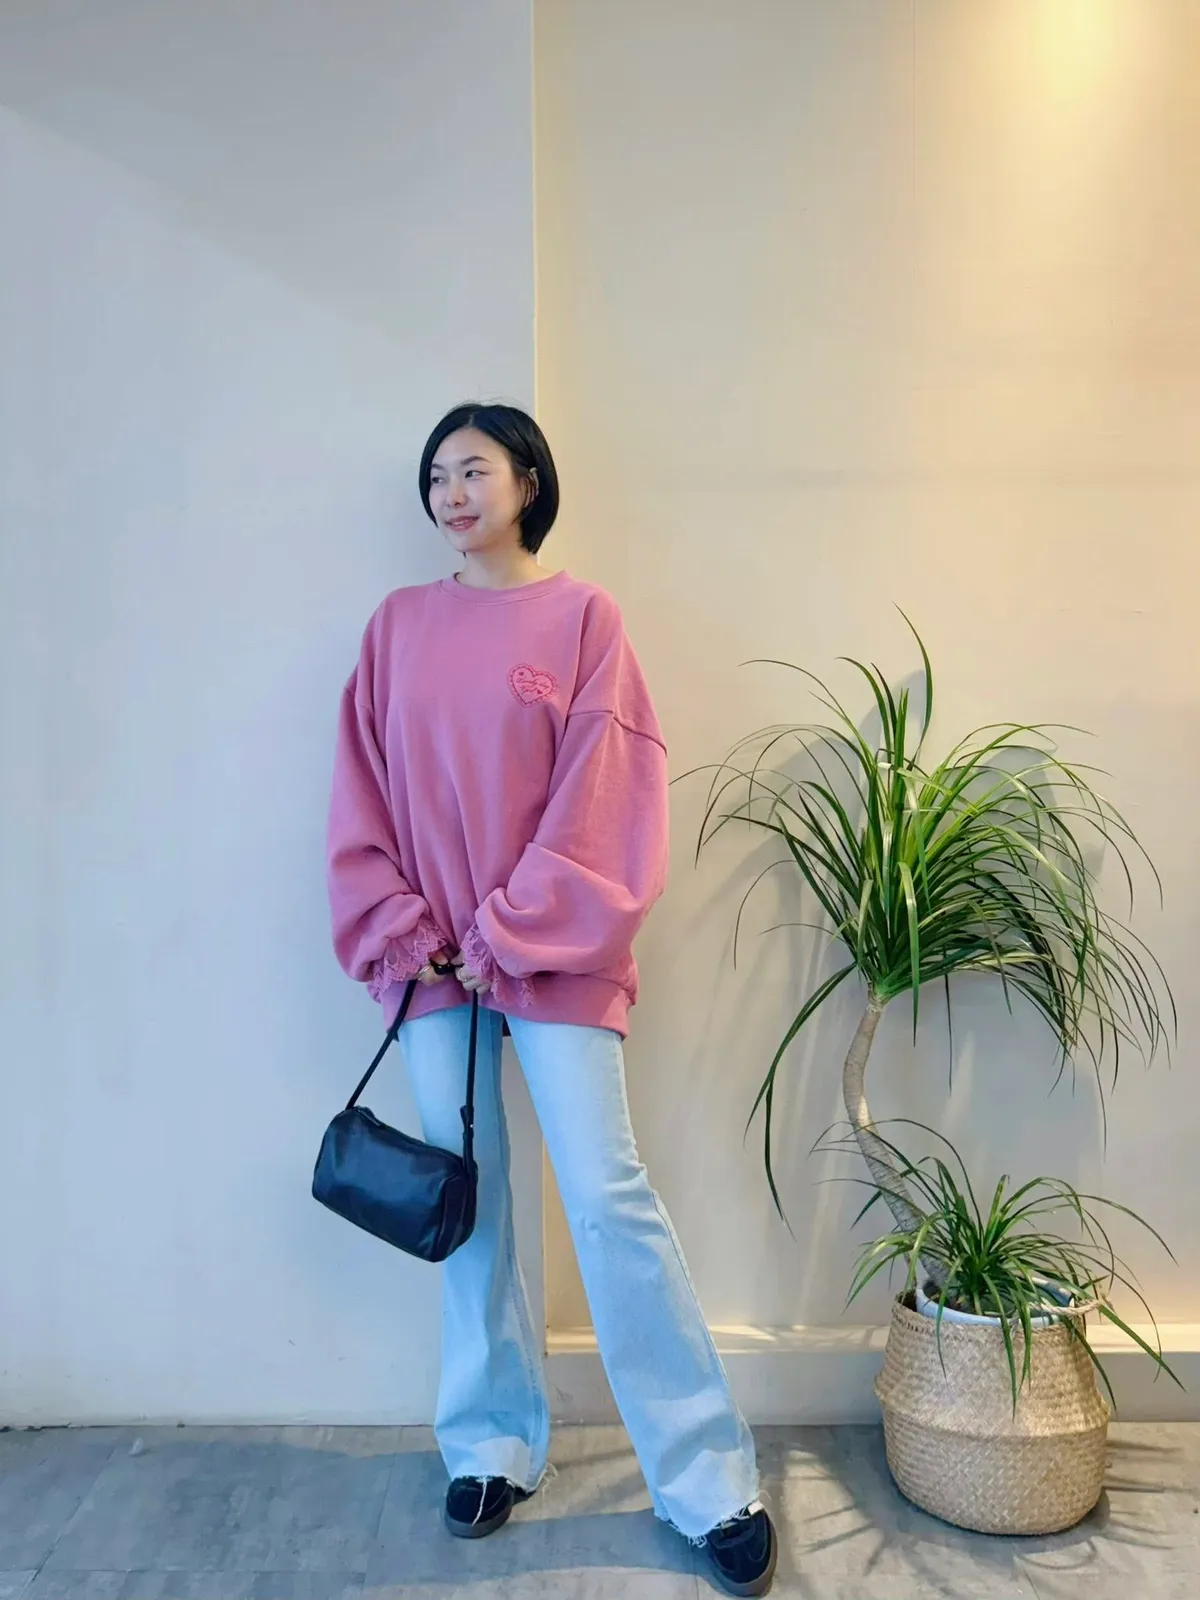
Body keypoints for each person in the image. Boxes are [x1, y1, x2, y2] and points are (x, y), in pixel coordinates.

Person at [326, 402, 777, 1596]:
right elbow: (362, 791)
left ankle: (704, 1476)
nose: (452, 491)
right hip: (432, 963)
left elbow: (607, 794)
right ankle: (489, 1445)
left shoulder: (584, 619)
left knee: (608, 1196)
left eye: (474, 468)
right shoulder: (396, 626)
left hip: (554, 953)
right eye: (437, 474)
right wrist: (413, 930)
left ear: (528, 479)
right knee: (465, 1205)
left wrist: (510, 928)